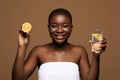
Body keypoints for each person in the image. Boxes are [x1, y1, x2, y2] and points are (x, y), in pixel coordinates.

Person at [12, 8, 107, 80]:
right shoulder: (39, 51)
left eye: (65, 26)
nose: (60, 30)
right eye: (54, 26)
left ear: (71, 27)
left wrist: (96, 56)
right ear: (48, 27)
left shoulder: (79, 51)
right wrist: (22, 46)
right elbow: (18, 79)